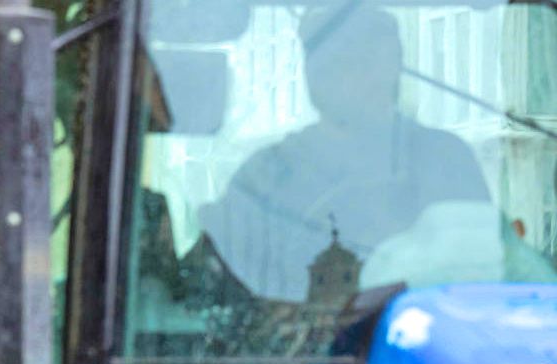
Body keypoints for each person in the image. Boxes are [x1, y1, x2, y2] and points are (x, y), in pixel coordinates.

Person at [200, 5, 491, 302]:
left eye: (372, 59)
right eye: (343, 60)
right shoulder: (264, 177)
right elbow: (212, 289)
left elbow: (485, 276)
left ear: (395, 68)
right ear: (312, 72)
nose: (360, 75)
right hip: (294, 346)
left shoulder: (447, 161)